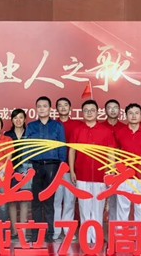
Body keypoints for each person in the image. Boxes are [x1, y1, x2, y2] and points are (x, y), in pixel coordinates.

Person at [68, 100, 116, 244]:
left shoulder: (105, 131)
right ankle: (85, 238)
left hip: (100, 176)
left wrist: (111, 171)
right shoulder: (77, 130)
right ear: (82, 113)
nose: (89, 113)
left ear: (97, 112)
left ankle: (96, 238)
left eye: (92, 110)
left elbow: (111, 153)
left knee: (98, 209)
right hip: (81, 175)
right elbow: (72, 151)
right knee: (84, 208)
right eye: (86, 110)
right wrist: (72, 171)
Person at [25, 96, 66, 243]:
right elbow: (27, 147)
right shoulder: (31, 126)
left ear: (50, 108)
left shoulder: (57, 126)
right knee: (36, 201)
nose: (42, 109)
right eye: (39, 106)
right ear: (36, 109)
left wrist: (62, 167)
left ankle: (50, 234)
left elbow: (62, 146)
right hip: (35, 166)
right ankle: (36, 233)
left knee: (49, 201)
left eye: (45, 106)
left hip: (52, 166)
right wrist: (28, 166)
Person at [114, 103, 141, 242]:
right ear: (126, 115)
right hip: (123, 176)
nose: (133, 116)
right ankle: (122, 238)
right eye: (130, 113)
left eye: (136, 113)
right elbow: (116, 153)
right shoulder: (120, 132)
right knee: (122, 208)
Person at [53, 97, 82, 240]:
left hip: (72, 170)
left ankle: (68, 229)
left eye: (66, 105)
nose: (63, 107)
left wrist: (74, 169)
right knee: (56, 200)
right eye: (60, 105)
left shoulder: (78, 125)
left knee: (70, 200)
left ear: (70, 108)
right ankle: (56, 230)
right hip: (55, 169)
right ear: (56, 109)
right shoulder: (52, 124)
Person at [4, 108, 32, 239]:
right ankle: (14, 231)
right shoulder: (7, 135)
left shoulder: (30, 134)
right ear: (12, 120)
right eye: (15, 118)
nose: (18, 120)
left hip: (26, 170)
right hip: (11, 170)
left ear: (25, 119)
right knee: (12, 201)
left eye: (21, 117)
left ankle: (23, 231)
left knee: (24, 201)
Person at [100, 99, 127, 221]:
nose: (112, 110)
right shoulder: (100, 127)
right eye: (109, 108)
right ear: (105, 110)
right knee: (102, 200)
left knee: (119, 200)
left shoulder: (125, 128)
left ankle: (117, 229)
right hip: (103, 169)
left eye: (115, 107)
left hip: (121, 170)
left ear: (119, 110)